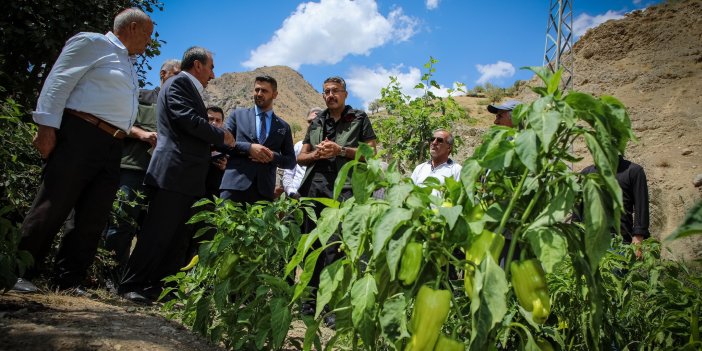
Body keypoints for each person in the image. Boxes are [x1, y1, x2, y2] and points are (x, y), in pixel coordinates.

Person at [13, 8, 154, 295]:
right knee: (54, 202)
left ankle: (68, 279)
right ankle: (18, 272)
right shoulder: (92, 43)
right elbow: (58, 81)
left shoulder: (127, 62)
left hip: (113, 143)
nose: (149, 42)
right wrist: (46, 127)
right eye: (148, 34)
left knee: (93, 214)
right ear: (134, 27)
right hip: (80, 133)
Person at [119, 47, 235, 304]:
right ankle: (132, 284)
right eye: (211, 67)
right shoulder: (178, 83)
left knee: (176, 237)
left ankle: (160, 287)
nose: (213, 75)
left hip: (187, 176)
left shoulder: (187, 87)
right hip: (173, 172)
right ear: (197, 65)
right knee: (157, 232)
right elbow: (188, 120)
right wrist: (221, 135)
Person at [296, 76, 377, 319]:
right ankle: (309, 304)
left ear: (345, 94)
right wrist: (318, 154)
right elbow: (301, 156)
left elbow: (371, 153)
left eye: (335, 91)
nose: (331, 95)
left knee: (335, 248)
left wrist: (340, 150)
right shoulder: (318, 120)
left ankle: (331, 308)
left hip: (345, 189)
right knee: (312, 246)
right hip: (314, 188)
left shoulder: (359, 117)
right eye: (326, 91)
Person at [103, 59, 181, 278]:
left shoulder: (179, 107)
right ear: (163, 74)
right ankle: (109, 277)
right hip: (133, 168)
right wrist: (143, 134)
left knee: (149, 230)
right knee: (121, 223)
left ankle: (132, 280)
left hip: (163, 177)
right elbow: (119, 122)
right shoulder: (142, 97)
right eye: (175, 75)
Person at [219, 75, 296, 204]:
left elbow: (291, 161)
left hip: (264, 193)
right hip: (234, 188)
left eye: (264, 91)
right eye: (257, 90)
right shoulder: (237, 115)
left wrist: (272, 156)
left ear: (275, 94)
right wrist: (249, 148)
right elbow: (221, 143)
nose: (259, 94)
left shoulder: (283, 127)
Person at [581, 156, 650, 255]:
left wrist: (638, 238)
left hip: (619, 242)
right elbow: (578, 209)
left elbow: (641, 206)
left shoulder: (633, 171)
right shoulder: (586, 173)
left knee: (617, 270)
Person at [282, 107, 323, 199]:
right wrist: (291, 192)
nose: (312, 124)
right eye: (309, 121)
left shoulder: (328, 147)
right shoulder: (298, 146)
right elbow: (289, 172)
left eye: (317, 121)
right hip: (295, 197)